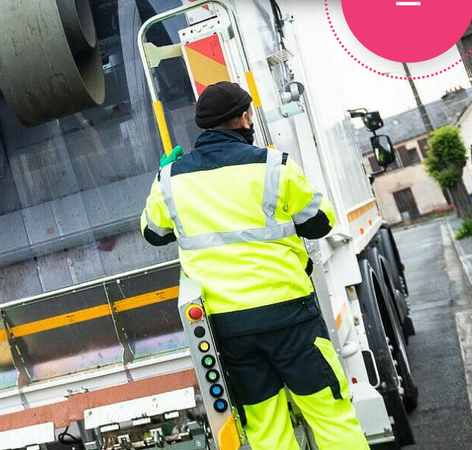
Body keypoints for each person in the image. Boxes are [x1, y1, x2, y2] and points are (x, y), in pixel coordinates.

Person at [140, 81, 369, 450]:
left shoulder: (171, 181)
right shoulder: (273, 165)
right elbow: (320, 222)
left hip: (230, 328)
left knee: (266, 429)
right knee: (330, 414)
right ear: (245, 117)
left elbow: (153, 232)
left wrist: (160, 179)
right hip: (290, 316)